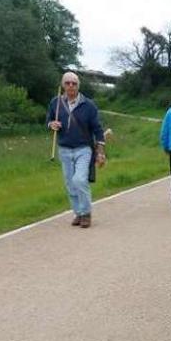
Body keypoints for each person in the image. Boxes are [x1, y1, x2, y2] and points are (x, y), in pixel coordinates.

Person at [47, 71, 106, 228]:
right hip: (64, 148)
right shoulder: (56, 103)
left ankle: (86, 213)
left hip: (83, 148)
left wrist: (100, 152)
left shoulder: (88, 105)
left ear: (78, 86)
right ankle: (78, 213)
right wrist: (51, 124)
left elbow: (98, 129)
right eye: (67, 83)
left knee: (79, 180)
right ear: (63, 85)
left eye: (74, 83)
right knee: (70, 184)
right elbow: (49, 119)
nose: (71, 86)